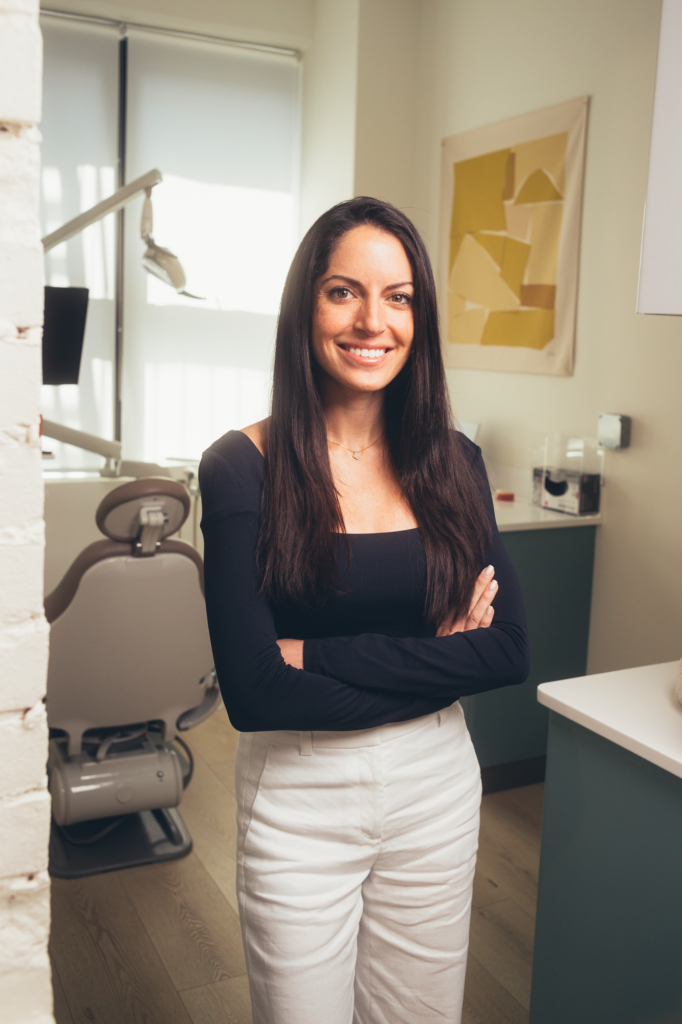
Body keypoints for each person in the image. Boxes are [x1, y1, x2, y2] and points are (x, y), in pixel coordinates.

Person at [199, 197, 530, 1024]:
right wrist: (438, 660)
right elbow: (253, 693)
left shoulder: (456, 462)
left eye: (399, 297)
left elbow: (508, 651)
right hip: (299, 795)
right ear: (305, 306)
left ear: (419, 317)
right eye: (344, 292)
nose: (372, 322)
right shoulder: (241, 467)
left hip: (438, 785)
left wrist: (311, 654)